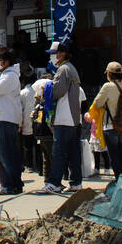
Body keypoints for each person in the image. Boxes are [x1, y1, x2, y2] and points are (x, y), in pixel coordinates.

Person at [40, 40, 83, 194]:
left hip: (63, 117)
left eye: (55, 54)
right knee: (72, 152)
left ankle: (55, 183)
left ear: (62, 53)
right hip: (72, 118)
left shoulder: (63, 70)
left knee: (58, 152)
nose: (53, 57)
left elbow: (57, 91)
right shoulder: (71, 68)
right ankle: (76, 182)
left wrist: (47, 87)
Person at [0, 47, 24, 195]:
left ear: (7, 61)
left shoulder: (10, 76)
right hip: (6, 117)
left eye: (0, 60)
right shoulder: (8, 74)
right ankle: (15, 183)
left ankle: (9, 184)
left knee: (7, 154)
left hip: (6, 118)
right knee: (11, 153)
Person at [89, 61, 122, 183]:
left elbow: (97, 103)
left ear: (109, 74)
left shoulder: (107, 86)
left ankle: (119, 180)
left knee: (114, 156)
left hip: (110, 126)